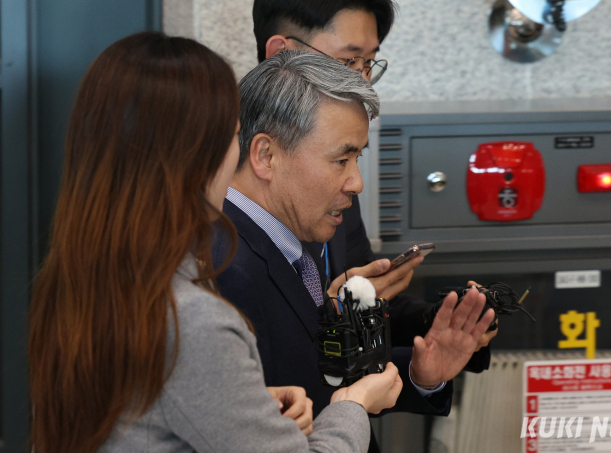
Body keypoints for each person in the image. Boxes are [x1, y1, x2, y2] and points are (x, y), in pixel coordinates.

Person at [27, 32, 403, 453]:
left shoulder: (77, 281)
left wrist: (251, 409)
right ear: (191, 158)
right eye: (232, 134)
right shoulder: (191, 316)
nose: (236, 155)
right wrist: (351, 406)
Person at [212, 50, 494, 452]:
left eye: (357, 158)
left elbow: (317, 379)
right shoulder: (224, 268)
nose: (356, 182)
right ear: (265, 155)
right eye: (341, 159)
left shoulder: (288, 242)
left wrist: (419, 371)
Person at [253, 0, 497, 364]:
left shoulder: (341, 182)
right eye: (348, 61)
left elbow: (371, 306)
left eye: (368, 63)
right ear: (280, 54)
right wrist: (333, 316)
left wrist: (442, 323)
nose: (361, 81)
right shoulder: (223, 199)